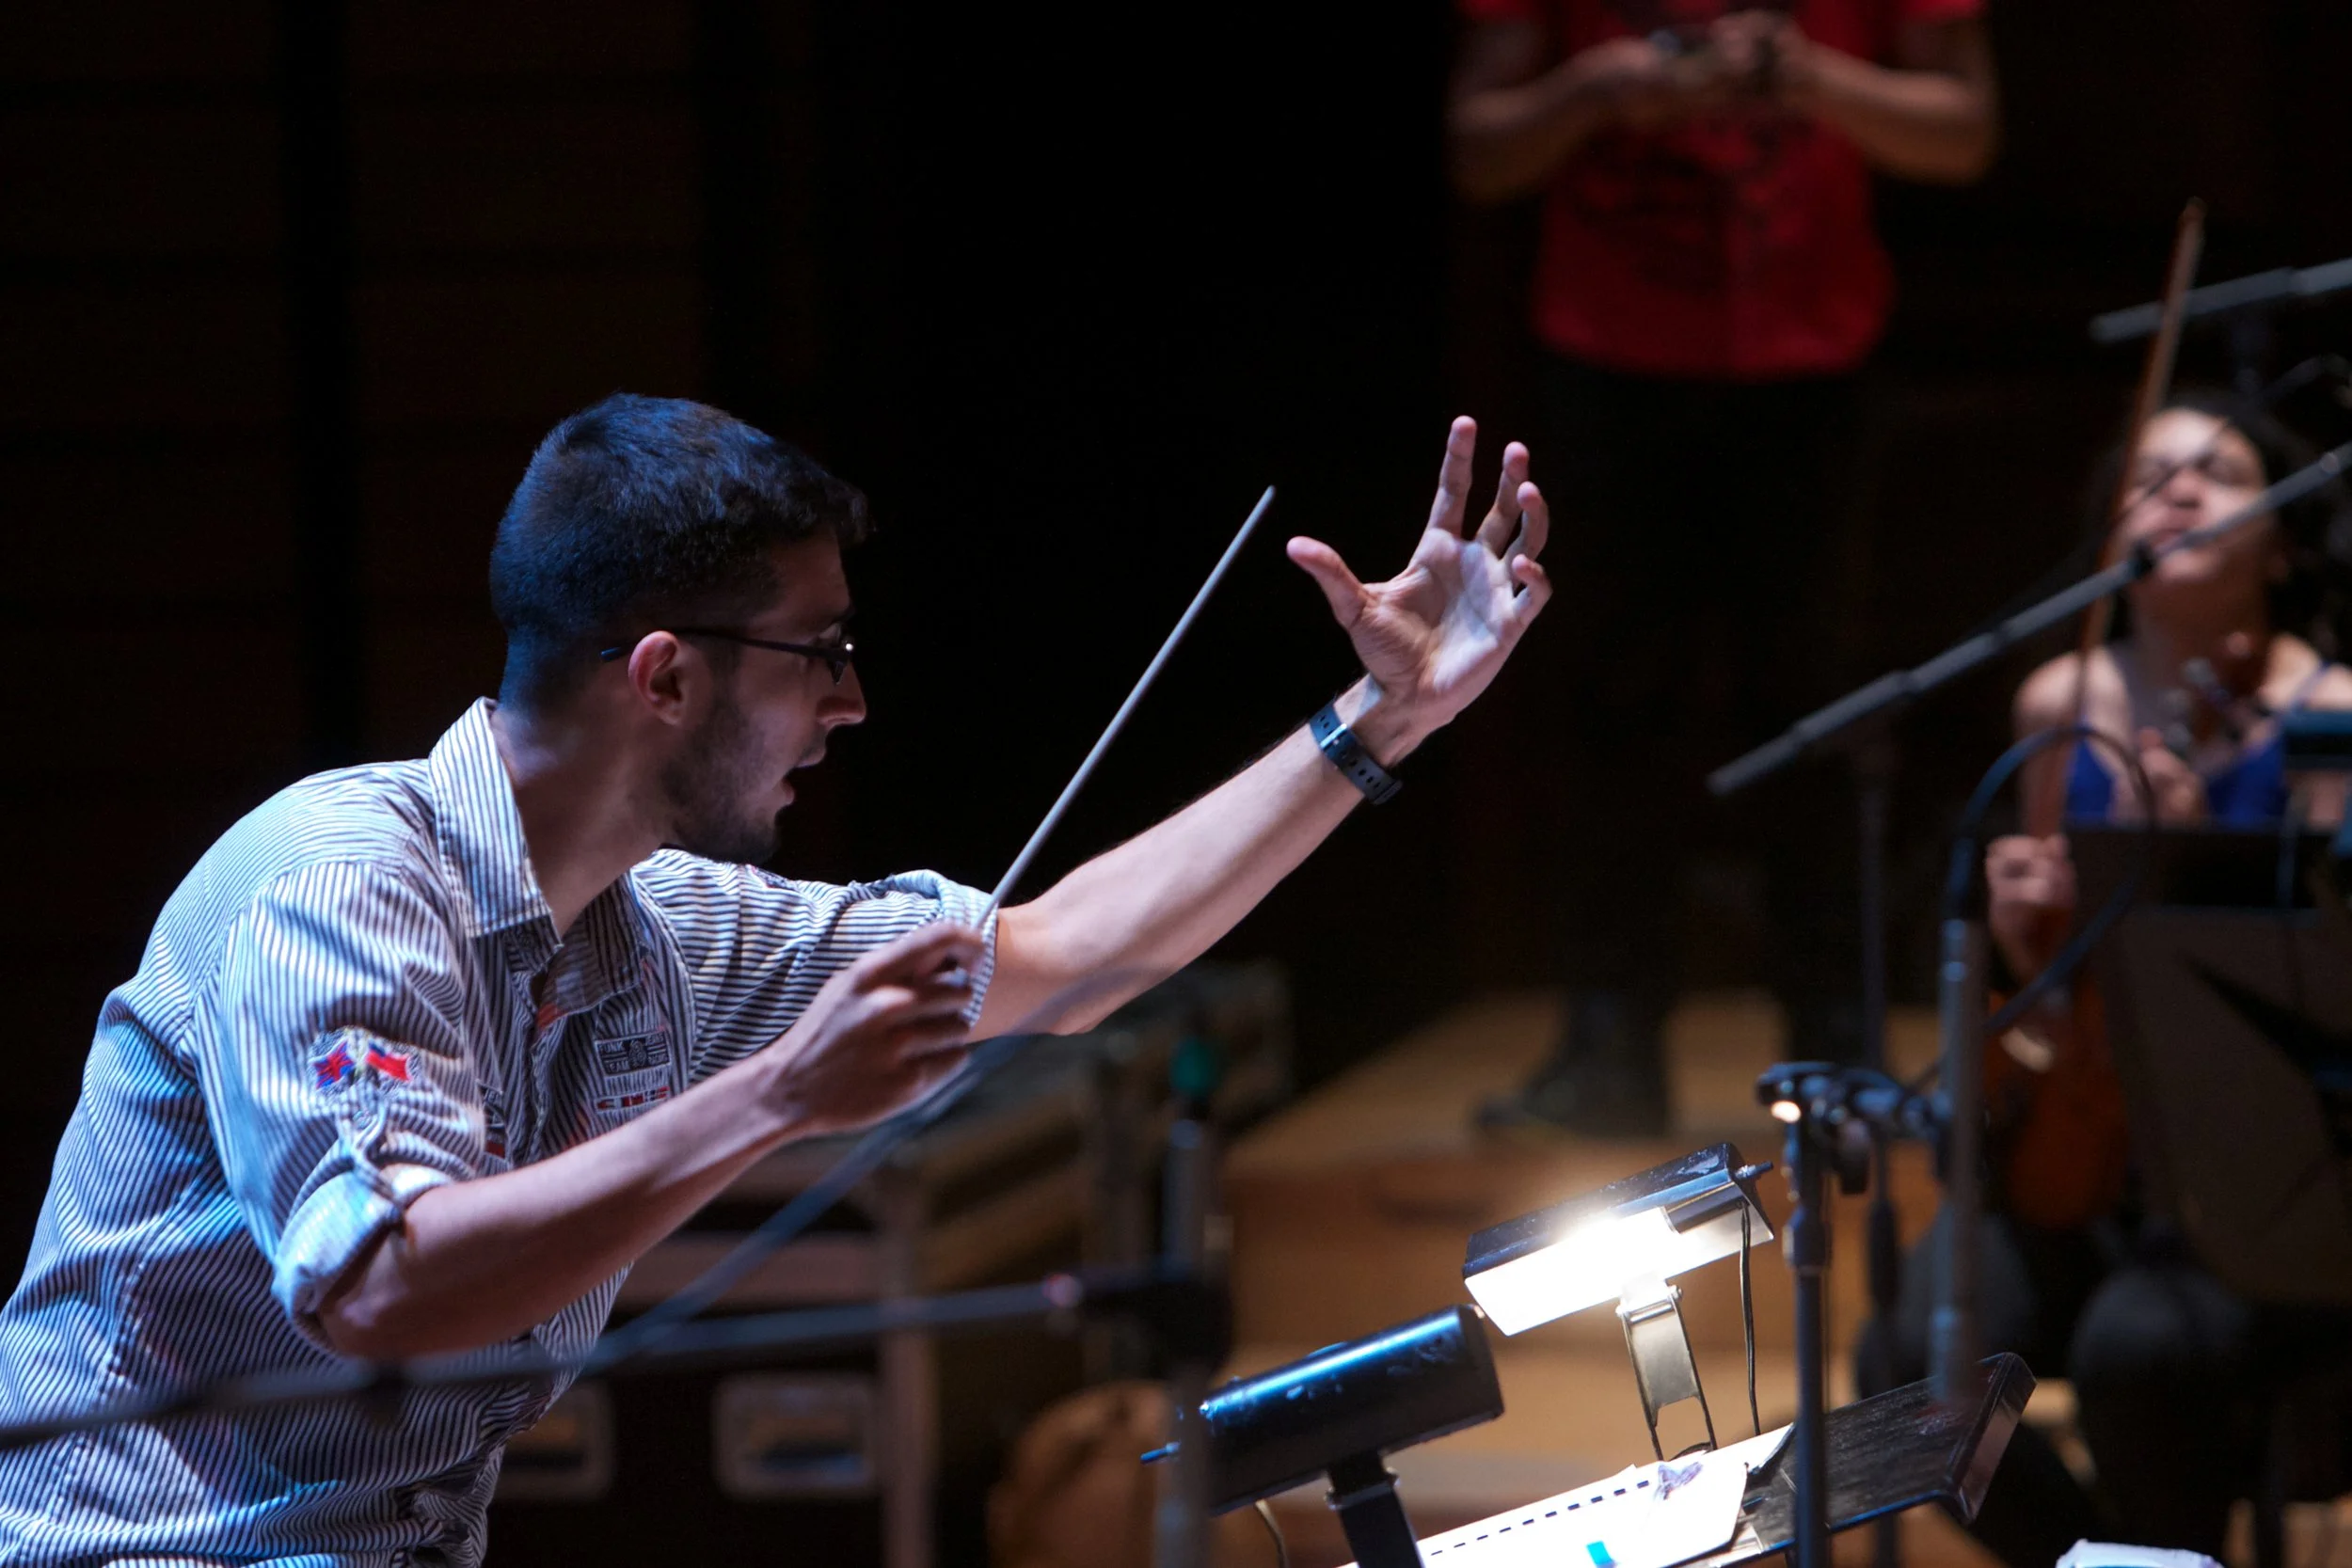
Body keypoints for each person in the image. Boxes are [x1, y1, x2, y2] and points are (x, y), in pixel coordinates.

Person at [0, 394, 1553, 1566]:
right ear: (667, 674)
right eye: (820, 650)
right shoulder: (339, 886)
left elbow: (1073, 953)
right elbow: (386, 1284)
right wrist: (775, 1096)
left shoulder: (658, 929)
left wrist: (1379, 720)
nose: (855, 701)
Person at [1447, 0, 1999, 1129]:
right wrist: (1598, 89)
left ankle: (1838, 1047)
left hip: (1813, 360)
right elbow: (1479, 149)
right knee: (1609, 701)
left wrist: (1807, 82)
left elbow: (1964, 130)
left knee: (1817, 705)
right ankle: (1606, 1043)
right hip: (1609, 356)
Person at [1864, 392, 2352, 1566]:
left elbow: (2329, 971)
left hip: (2256, 1167)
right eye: (2151, 475)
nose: (2178, 491)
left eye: (2218, 472)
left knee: (2142, 1346)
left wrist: (2175, 876)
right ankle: (2110, 1562)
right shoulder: (2060, 706)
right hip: (2082, 1147)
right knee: (1905, 1379)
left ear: (2280, 539)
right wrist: (2032, 954)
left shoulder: (2328, 712)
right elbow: (2036, 1021)